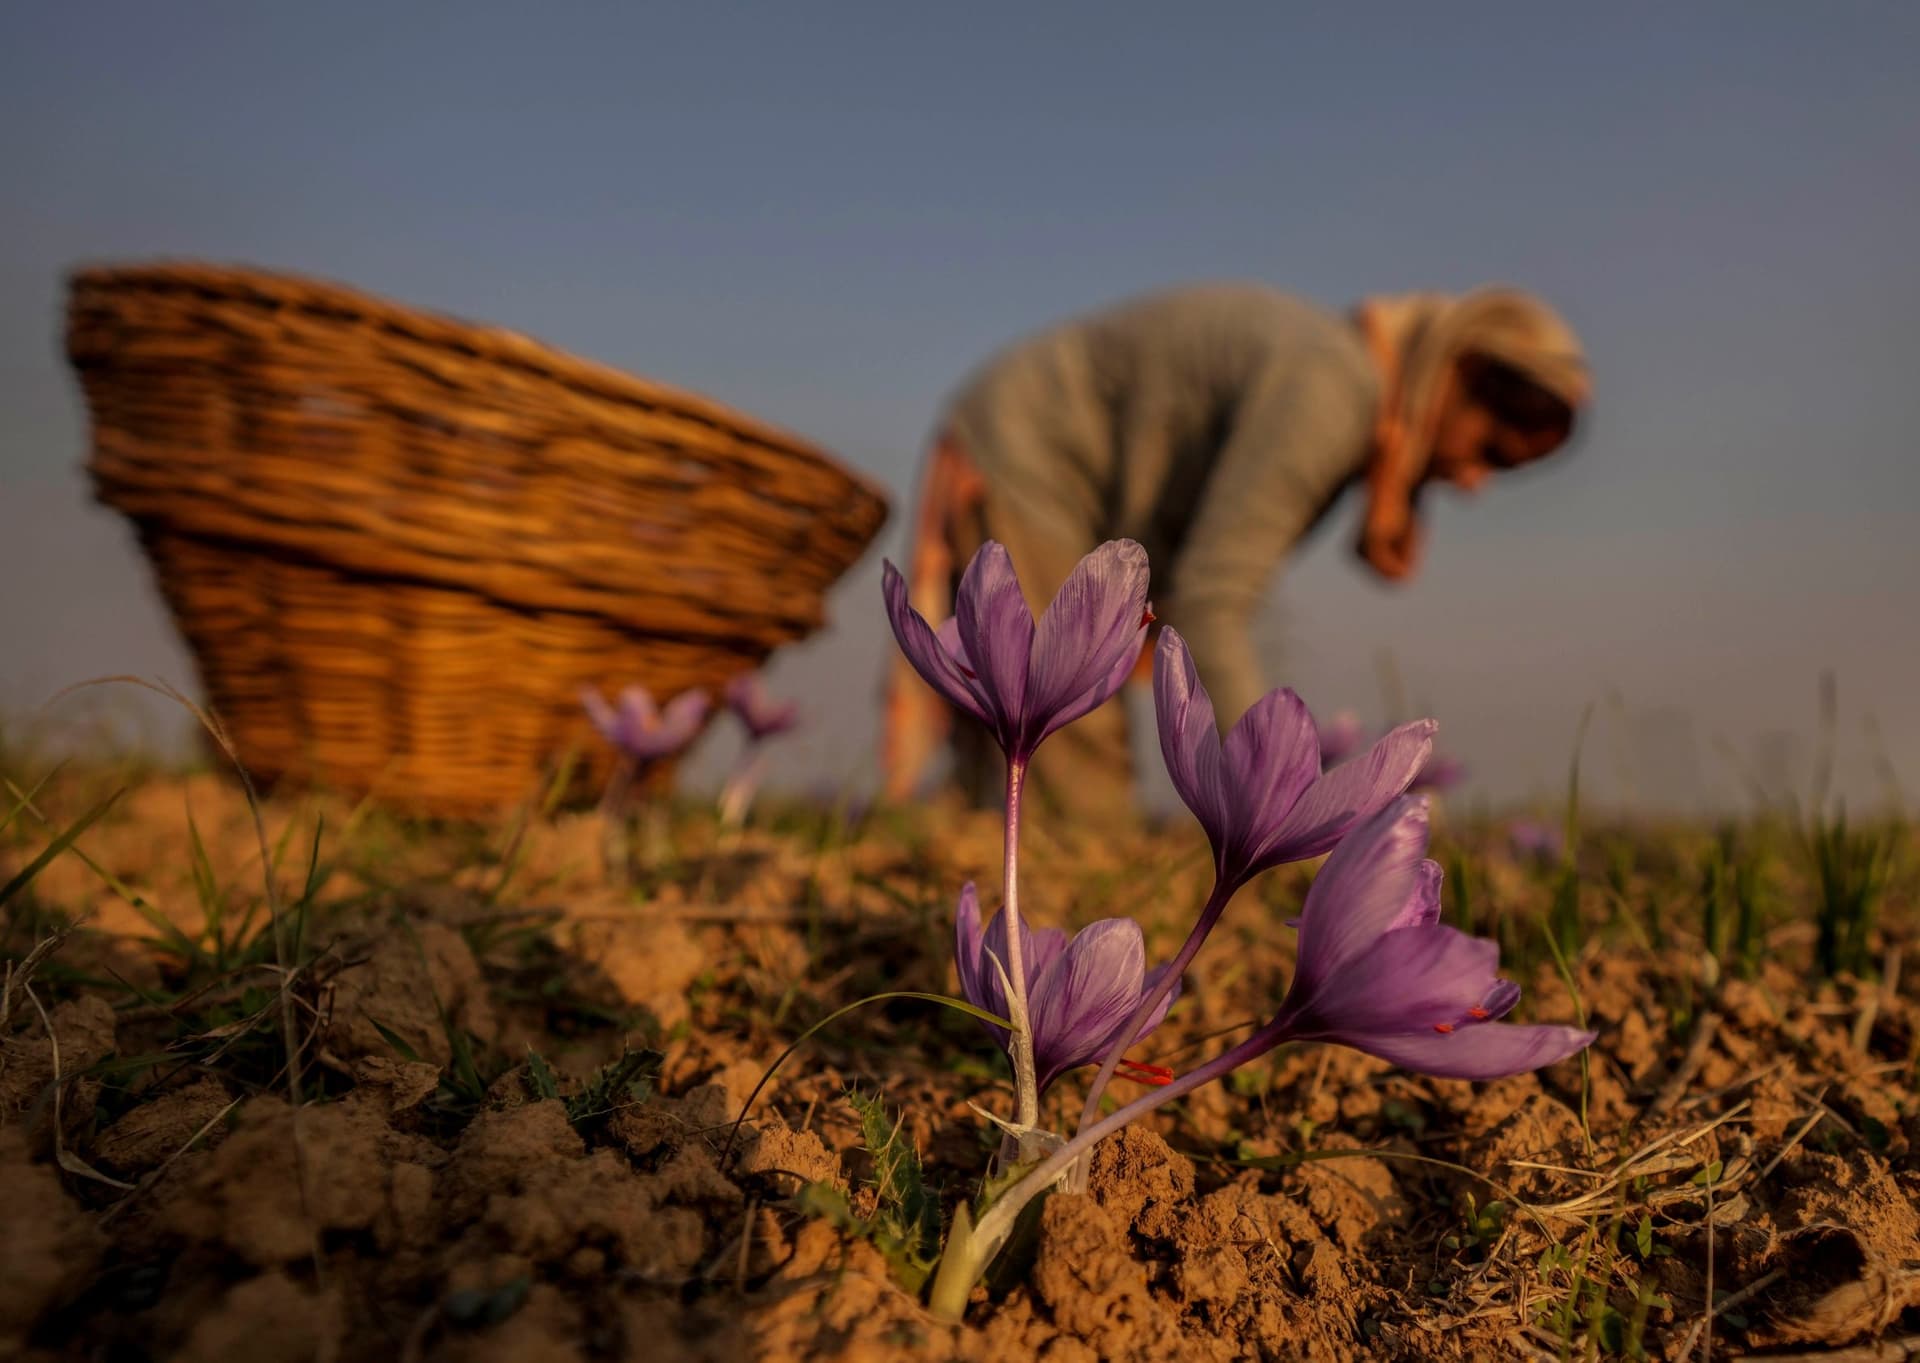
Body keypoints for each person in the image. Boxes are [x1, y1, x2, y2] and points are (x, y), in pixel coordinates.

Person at [881, 281, 1589, 818]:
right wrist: (1285, 813)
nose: (1471, 483)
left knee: (1009, 781)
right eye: (1488, 451)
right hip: (1031, 461)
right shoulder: (1332, 396)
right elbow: (1210, 601)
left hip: (1028, 455)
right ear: (1455, 374)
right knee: (1073, 788)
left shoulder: (1349, 388)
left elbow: (1210, 590)